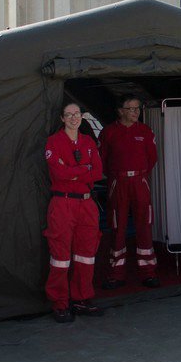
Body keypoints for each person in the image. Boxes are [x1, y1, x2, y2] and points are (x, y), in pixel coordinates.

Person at [44, 101, 104, 322]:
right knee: (60, 256)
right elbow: (59, 174)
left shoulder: (89, 142)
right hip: (63, 204)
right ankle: (60, 303)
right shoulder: (54, 142)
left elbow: (97, 172)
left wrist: (74, 171)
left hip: (87, 205)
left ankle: (81, 298)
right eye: (68, 114)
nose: (73, 118)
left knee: (86, 255)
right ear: (61, 118)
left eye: (76, 113)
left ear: (82, 116)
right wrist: (83, 169)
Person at [99, 95, 160, 290]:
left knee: (144, 225)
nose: (136, 112)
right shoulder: (108, 133)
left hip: (140, 181)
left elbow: (152, 158)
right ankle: (116, 275)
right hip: (118, 182)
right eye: (131, 108)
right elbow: (102, 160)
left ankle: (148, 273)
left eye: (137, 108)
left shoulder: (145, 130)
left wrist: (138, 174)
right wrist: (118, 176)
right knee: (118, 227)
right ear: (120, 111)